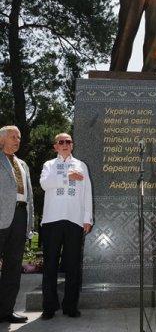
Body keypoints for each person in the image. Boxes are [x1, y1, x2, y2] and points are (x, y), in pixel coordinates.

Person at [40, 132, 93, 320]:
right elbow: (45, 184)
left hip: (75, 220)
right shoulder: (49, 165)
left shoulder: (81, 165)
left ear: (72, 145)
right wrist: (68, 177)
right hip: (51, 220)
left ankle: (70, 306)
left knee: (73, 266)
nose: (64, 144)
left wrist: (88, 218)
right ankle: (49, 306)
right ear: (55, 146)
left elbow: (87, 193)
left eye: (68, 142)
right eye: (60, 142)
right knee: (50, 266)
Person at [0, 125, 34, 324]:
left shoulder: (23, 164)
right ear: (2, 139)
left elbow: (28, 196)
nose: (17, 140)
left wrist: (29, 222)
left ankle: (6, 310)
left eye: (19, 137)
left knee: (13, 266)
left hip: (20, 216)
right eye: (13, 137)